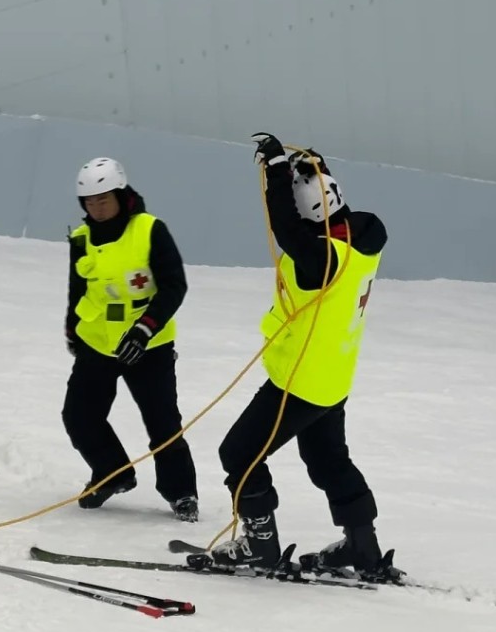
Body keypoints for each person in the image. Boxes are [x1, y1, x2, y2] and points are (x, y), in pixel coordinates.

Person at [216, 133, 388, 575]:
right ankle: (363, 546)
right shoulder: (362, 238)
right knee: (328, 460)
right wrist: (313, 170)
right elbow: (315, 213)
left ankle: (260, 545)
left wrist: (276, 174)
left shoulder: (322, 260)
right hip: (333, 379)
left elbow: (288, 229)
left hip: (300, 380)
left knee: (238, 454)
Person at [62, 157, 199, 519]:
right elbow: (78, 288)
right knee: (78, 416)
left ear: (122, 195)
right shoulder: (81, 238)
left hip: (148, 345)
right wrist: (72, 328)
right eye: (89, 202)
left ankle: (182, 493)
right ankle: (112, 473)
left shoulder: (150, 229)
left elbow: (174, 285)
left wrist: (144, 329)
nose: (96, 208)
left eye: (103, 199)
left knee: (162, 423)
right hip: (97, 342)